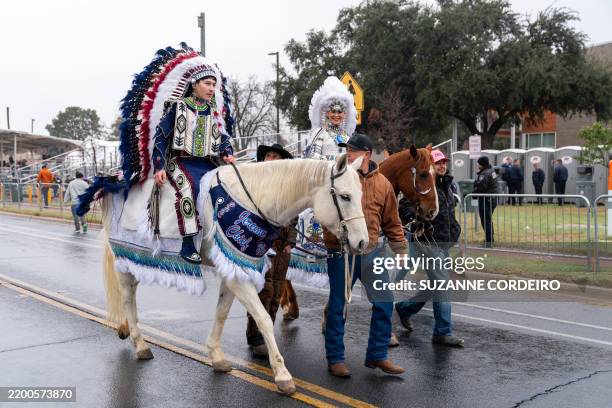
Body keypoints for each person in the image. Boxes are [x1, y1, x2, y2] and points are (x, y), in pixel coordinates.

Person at [324, 133, 407, 378]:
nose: (348, 154)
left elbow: (392, 220)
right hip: (341, 253)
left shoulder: (383, 184)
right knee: (339, 306)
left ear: (367, 154)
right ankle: (335, 359)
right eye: (346, 150)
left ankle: (378, 355)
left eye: (353, 151)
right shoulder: (337, 177)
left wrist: (400, 248)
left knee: (384, 302)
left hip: (373, 251)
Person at [283, 76, 358, 321]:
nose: (337, 115)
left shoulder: (347, 140)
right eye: (332, 111)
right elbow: (311, 165)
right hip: (323, 189)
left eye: (341, 111)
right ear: (325, 113)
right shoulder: (318, 136)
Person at [152, 65, 235, 263]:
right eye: (207, 83)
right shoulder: (178, 107)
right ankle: (188, 244)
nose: (211, 88)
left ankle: (228, 241)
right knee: (190, 189)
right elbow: (161, 137)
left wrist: (228, 153)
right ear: (194, 84)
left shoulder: (213, 112)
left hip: (207, 165)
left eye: (214, 85)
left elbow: (222, 138)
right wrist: (159, 167)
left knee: (229, 190)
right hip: (180, 162)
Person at [395, 150, 464, 347]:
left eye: (444, 162)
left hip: (443, 242)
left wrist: (455, 234)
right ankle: (442, 332)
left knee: (436, 285)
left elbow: (449, 214)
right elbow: (404, 206)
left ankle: (405, 308)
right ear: (431, 165)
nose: (442, 165)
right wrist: (414, 219)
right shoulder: (424, 184)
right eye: (438, 162)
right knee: (443, 285)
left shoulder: (447, 185)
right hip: (427, 242)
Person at [246, 144, 297, 357]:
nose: (271, 158)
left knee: (276, 292)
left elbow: (294, 215)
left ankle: (267, 334)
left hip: (282, 245)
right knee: (263, 291)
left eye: (276, 156)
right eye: (268, 155)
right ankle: (255, 336)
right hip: (262, 243)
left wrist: (290, 242)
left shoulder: (289, 186)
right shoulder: (255, 182)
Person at [474, 156, 498, 248]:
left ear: (482, 164)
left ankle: (488, 242)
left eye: (478, 163)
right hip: (492, 199)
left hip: (486, 200)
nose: (477, 164)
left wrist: (474, 192)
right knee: (488, 220)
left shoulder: (484, 174)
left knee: (485, 221)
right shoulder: (492, 171)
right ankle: (490, 239)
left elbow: (481, 187)